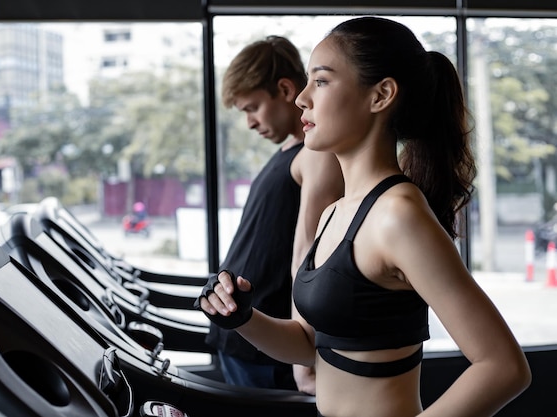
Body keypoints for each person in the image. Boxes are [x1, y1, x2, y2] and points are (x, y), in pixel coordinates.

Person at [197, 17, 531, 417]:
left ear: (381, 95)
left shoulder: (398, 214)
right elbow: (306, 343)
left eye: (320, 81)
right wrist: (241, 317)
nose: (302, 98)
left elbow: (504, 367)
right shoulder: (334, 213)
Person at [204, 35, 343, 394]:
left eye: (252, 107)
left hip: (270, 348)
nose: (249, 122)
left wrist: (305, 364)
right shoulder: (289, 151)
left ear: (284, 89)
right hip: (244, 339)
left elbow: (308, 259)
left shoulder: (316, 155)